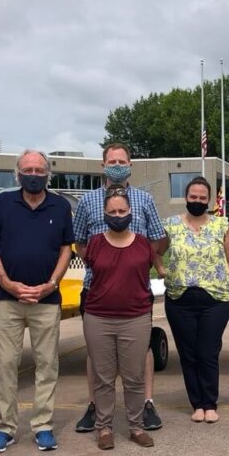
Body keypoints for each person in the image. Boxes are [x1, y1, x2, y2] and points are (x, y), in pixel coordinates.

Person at [0, 150, 74, 453]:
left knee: (47, 364)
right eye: (28, 169)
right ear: (17, 173)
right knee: (5, 365)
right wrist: (6, 282)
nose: (33, 174)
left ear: (48, 173)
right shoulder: (2, 203)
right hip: (6, 299)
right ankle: (6, 427)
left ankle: (43, 425)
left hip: (47, 301)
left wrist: (51, 284)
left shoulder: (60, 206)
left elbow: (65, 249)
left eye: (39, 169)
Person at [73, 144, 167, 433]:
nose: (116, 165)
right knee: (97, 353)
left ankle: (146, 404)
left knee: (142, 351)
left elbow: (158, 239)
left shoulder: (144, 199)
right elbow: (79, 242)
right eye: (111, 161)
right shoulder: (88, 202)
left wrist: (141, 261)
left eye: (121, 161)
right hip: (97, 288)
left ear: (130, 164)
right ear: (103, 165)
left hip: (136, 290)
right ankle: (95, 407)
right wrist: (100, 264)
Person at [81, 187, 157, 450]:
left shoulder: (144, 245)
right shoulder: (94, 244)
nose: (117, 215)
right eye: (112, 211)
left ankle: (136, 426)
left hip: (135, 318)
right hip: (98, 317)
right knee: (103, 377)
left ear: (130, 212)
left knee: (134, 376)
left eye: (121, 211)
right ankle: (104, 428)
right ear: (104, 213)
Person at [164, 176, 229, 423]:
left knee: (207, 352)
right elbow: (154, 251)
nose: (197, 201)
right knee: (188, 354)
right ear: (186, 198)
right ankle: (196, 404)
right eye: (193, 197)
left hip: (215, 298)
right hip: (179, 298)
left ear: (209, 200)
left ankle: (210, 403)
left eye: (202, 198)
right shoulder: (171, 225)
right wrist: (161, 269)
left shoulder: (221, 225)